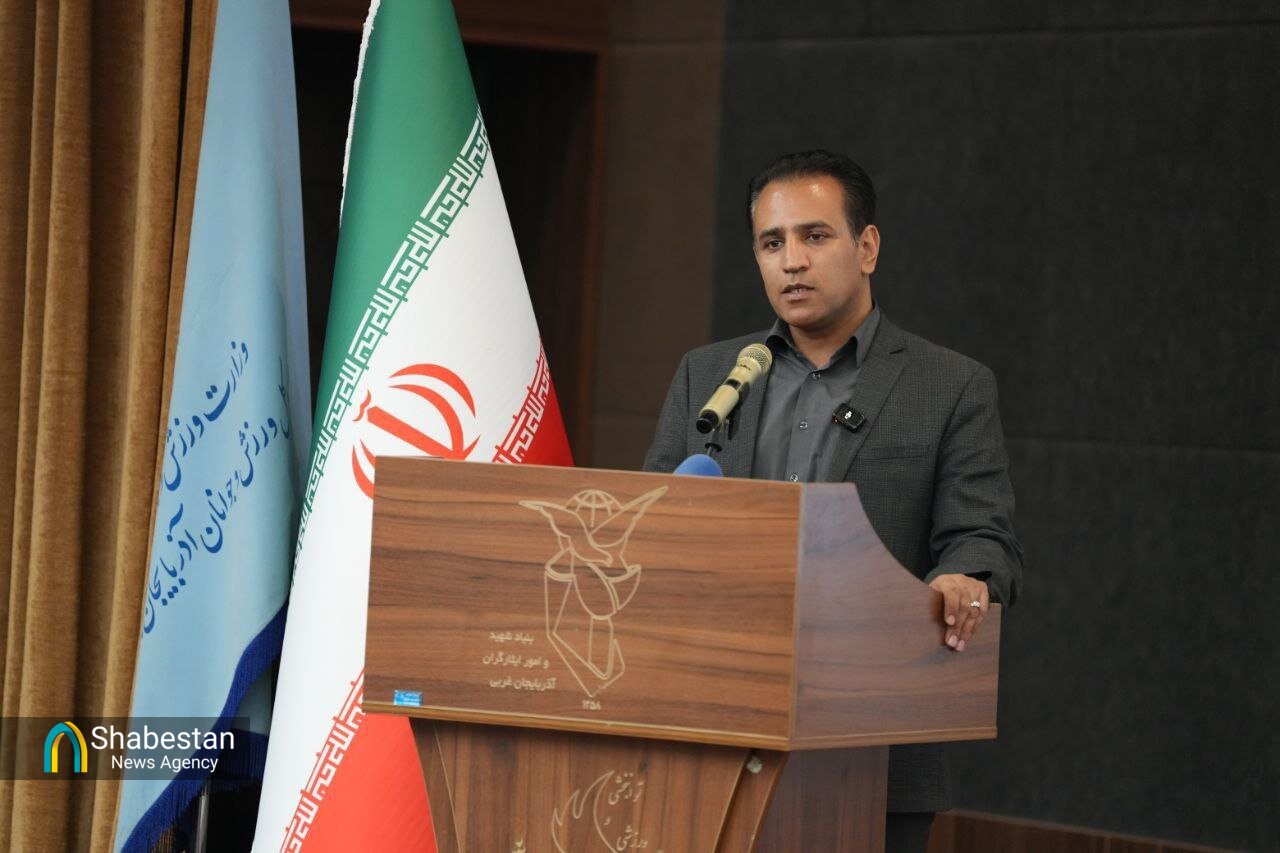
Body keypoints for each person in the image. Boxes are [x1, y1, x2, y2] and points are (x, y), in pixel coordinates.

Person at [643, 150, 1024, 853]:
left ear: (867, 247)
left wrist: (963, 576)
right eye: (772, 243)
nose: (792, 261)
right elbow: (651, 524)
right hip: (712, 736)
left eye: (814, 236)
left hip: (875, 741)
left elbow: (982, 536)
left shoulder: (950, 386)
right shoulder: (710, 374)